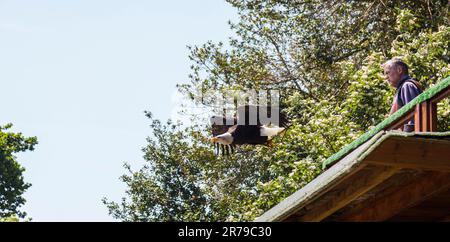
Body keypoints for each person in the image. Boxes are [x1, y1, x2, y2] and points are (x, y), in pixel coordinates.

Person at [382, 59, 422, 132]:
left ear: (399, 70)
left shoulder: (407, 85)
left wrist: (407, 139)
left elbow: (413, 116)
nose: (386, 77)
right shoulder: (402, 88)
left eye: (387, 72)